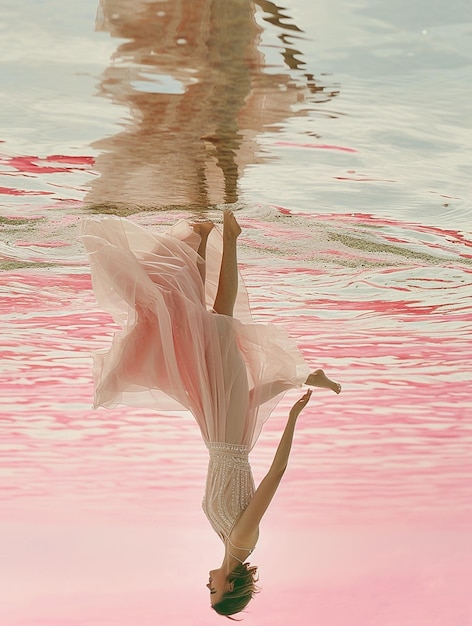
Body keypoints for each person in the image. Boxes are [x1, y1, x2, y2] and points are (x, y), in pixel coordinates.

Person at [81, 210, 341, 617]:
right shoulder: (241, 540)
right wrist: (293, 418)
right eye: (214, 591)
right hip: (228, 441)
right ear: (232, 586)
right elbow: (275, 476)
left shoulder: (226, 538)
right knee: (217, 324)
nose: (208, 585)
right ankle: (230, 237)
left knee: (195, 330)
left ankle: (203, 238)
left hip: (218, 431)